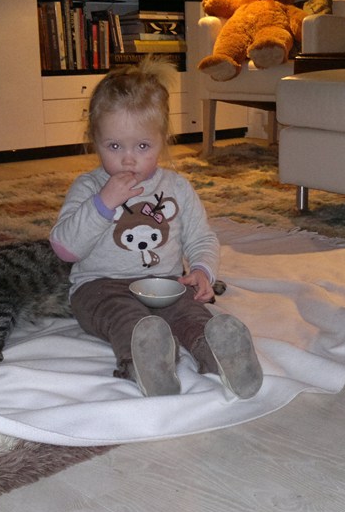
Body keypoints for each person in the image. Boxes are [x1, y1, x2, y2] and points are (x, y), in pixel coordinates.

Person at [50, 58, 263, 398]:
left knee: (190, 313)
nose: (128, 158)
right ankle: (145, 362)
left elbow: (201, 236)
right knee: (128, 320)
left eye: (143, 146)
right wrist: (103, 204)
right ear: (95, 140)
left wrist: (202, 270)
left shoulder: (176, 187)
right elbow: (65, 249)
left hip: (164, 284)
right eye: (114, 146)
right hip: (100, 287)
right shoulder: (89, 187)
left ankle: (223, 353)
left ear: (162, 140)